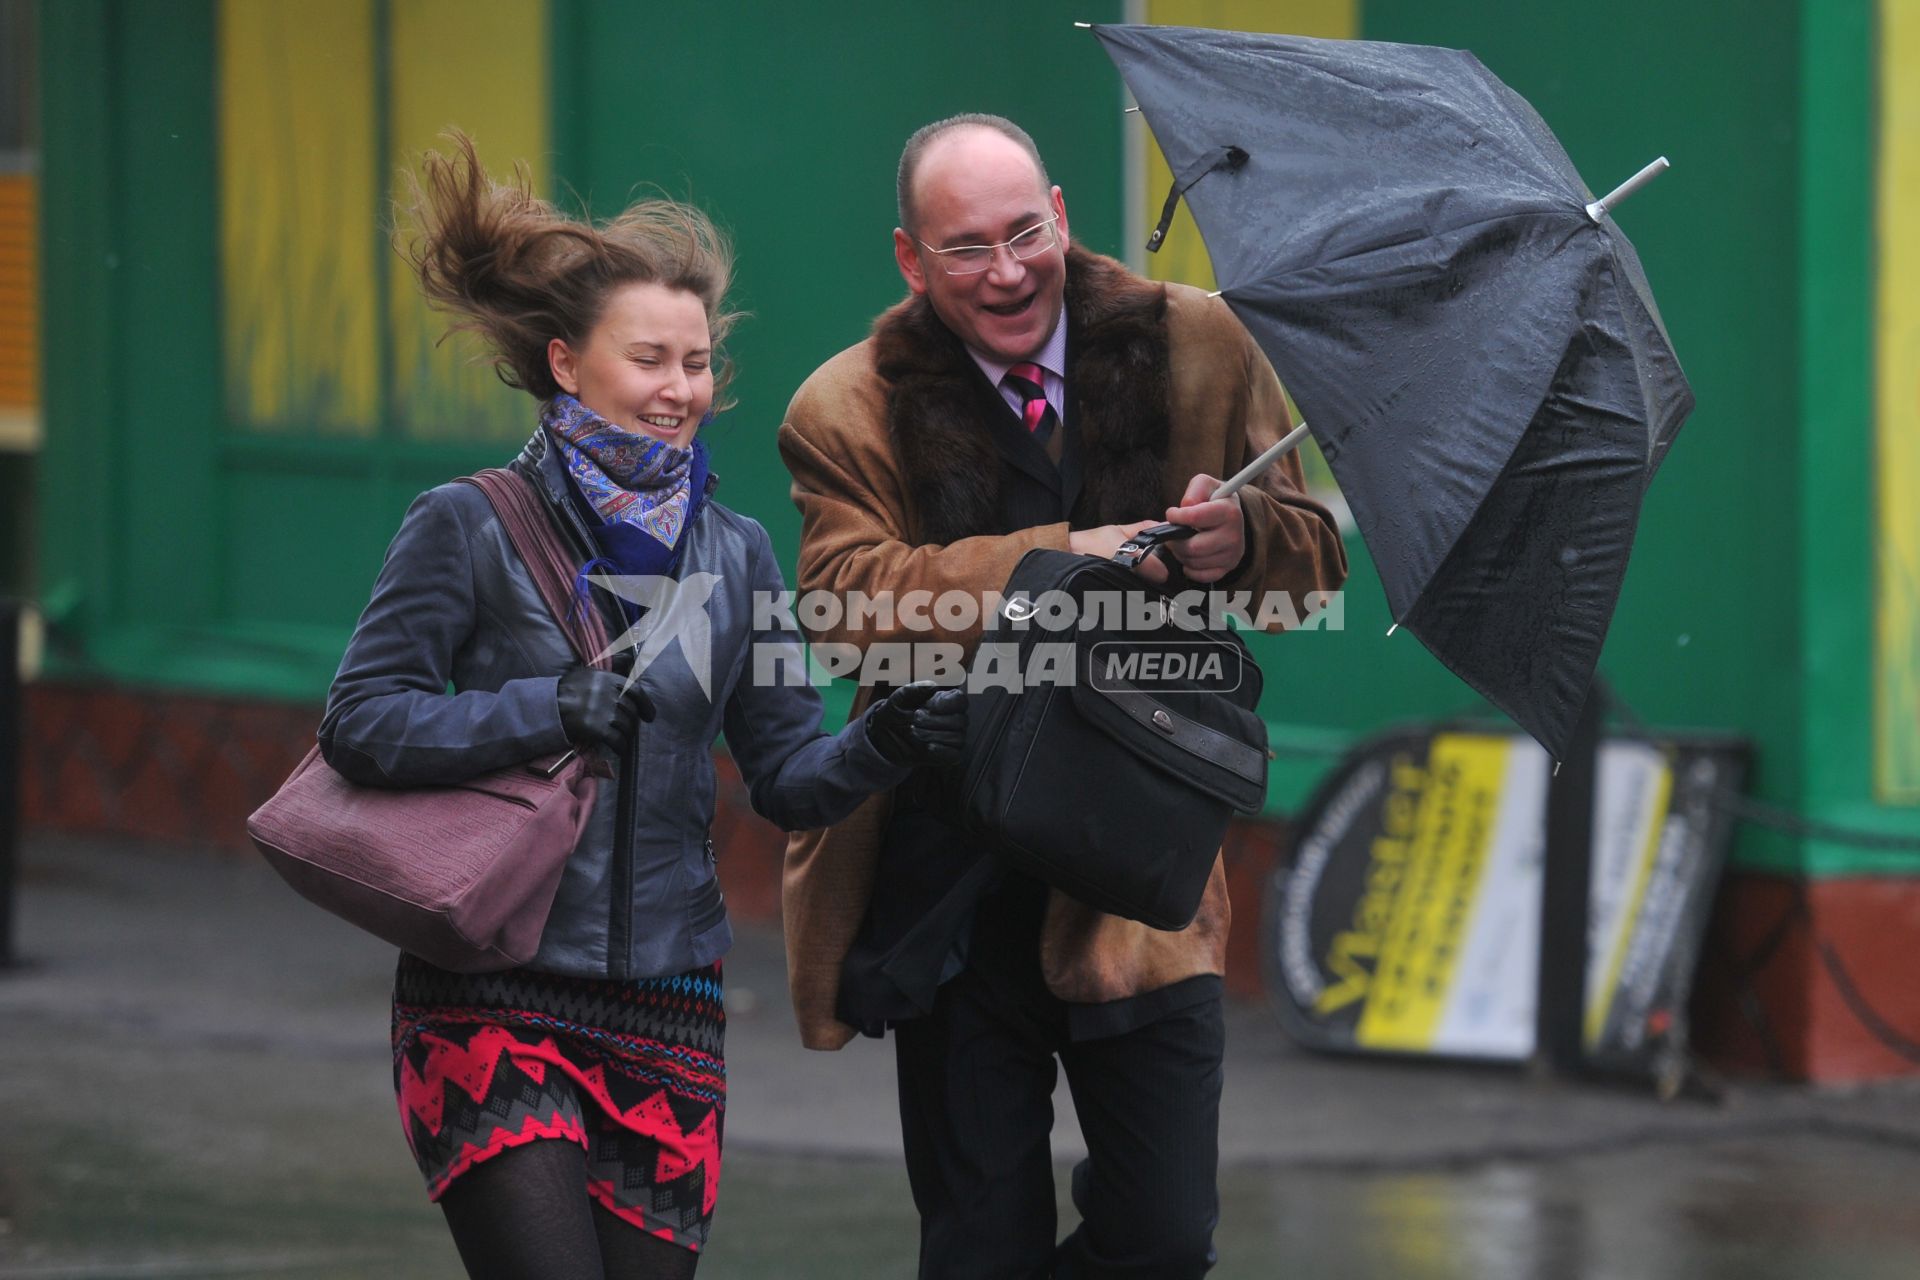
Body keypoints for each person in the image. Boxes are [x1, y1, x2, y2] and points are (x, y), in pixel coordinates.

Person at [318, 132, 965, 1280]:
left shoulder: (739, 551)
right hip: (489, 994)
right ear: (568, 365)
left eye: (698, 362)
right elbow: (362, 721)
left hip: (669, 1008)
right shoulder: (467, 523)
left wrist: (885, 739)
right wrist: (545, 706)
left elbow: (787, 774)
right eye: (651, 360)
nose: (681, 391)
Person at [777, 114, 1349, 1278]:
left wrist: (1238, 539)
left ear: (1062, 214)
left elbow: (1313, 559)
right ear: (909, 258)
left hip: (1144, 872)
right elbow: (844, 609)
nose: (1006, 271)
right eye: (966, 249)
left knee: (1164, 1237)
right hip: (952, 874)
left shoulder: (1201, 340)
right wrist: (1061, 554)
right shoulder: (840, 407)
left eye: (1024, 232)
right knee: (978, 1247)